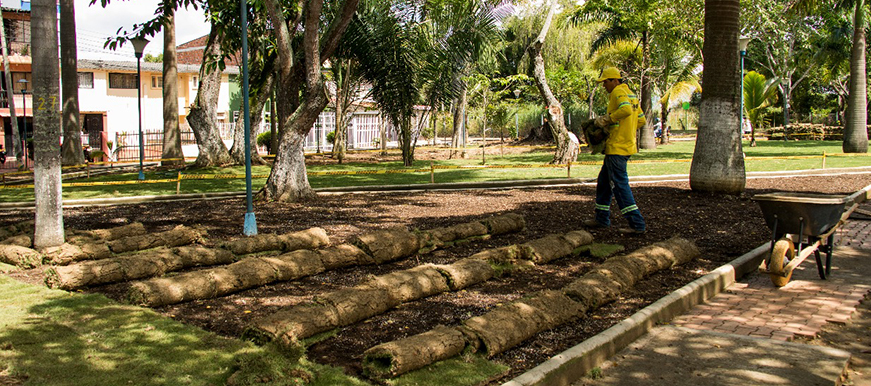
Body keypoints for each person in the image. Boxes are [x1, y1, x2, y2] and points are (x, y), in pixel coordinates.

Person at [584, 67, 647, 234]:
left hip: (617, 147)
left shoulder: (617, 92)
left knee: (619, 185)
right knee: (604, 183)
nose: (604, 86)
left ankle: (637, 224)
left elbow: (625, 110)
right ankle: (601, 218)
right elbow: (641, 120)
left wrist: (606, 120)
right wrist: (624, 129)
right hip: (626, 145)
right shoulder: (631, 94)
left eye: (605, 82)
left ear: (614, 80)